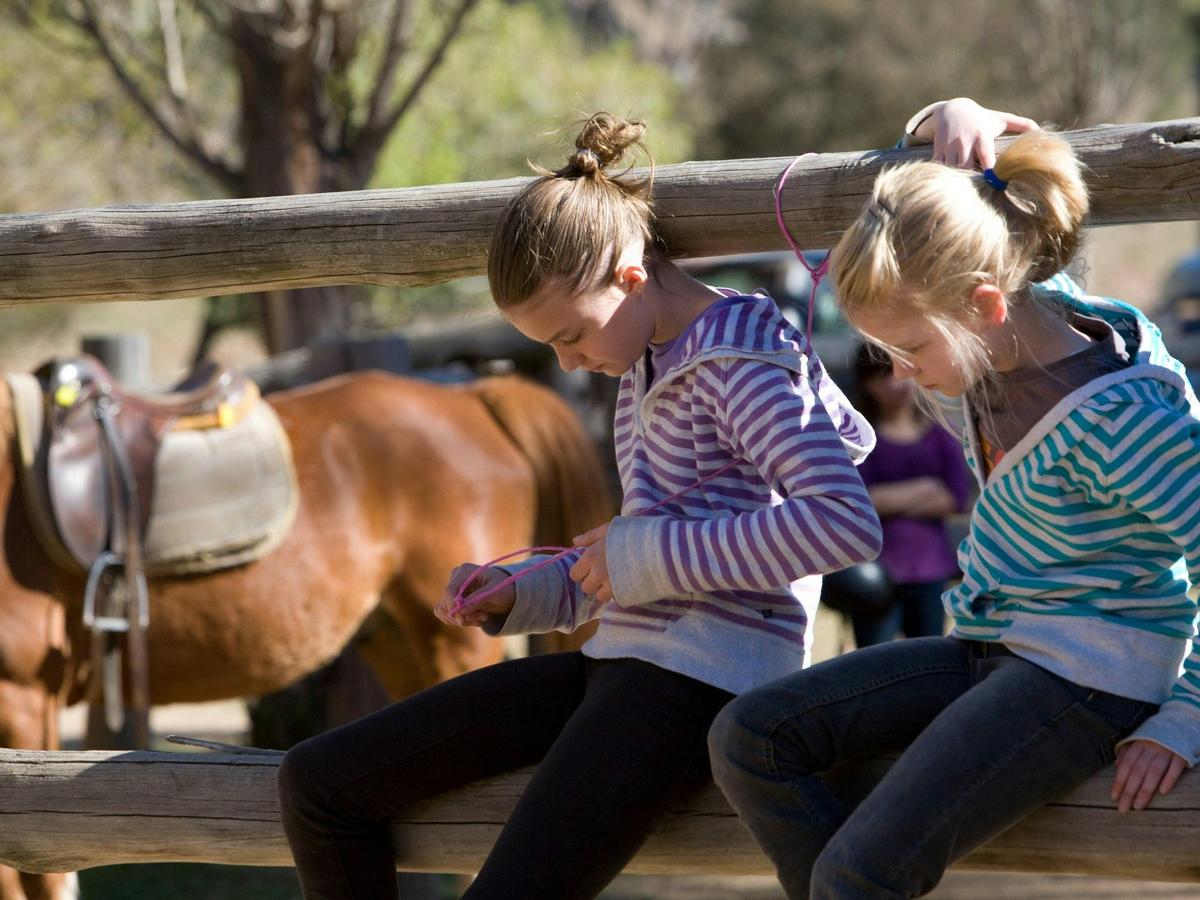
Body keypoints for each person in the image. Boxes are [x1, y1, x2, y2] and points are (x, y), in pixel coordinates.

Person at [275, 111, 883, 900]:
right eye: (550, 348)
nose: (568, 362)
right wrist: (528, 595)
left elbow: (843, 522)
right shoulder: (640, 366)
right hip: (619, 664)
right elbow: (637, 559)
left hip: (703, 684)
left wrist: (639, 556)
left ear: (630, 275)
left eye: (570, 335)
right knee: (320, 784)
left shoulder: (741, 358)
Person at [708, 127, 1200, 899]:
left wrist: (1185, 718)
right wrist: (963, 114)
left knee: (856, 872)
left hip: (1094, 672)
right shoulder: (1000, 333)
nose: (901, 374)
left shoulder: (1123, 418)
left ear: (984, 305)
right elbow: (997, 202)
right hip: (991, 642)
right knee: (750, 737)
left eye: (908, 348)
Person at [847, 343, 972, 646]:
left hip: (931, 569)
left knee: (929, 663)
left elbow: (958, 496)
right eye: (883, 375)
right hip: (874, 573)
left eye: (901, 371)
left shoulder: (939, 432)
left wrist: (887, 501)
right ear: (867, 382)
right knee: (873, 667)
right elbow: (854, 500)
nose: (895, 383)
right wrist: (924, 489)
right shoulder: (857, 440)